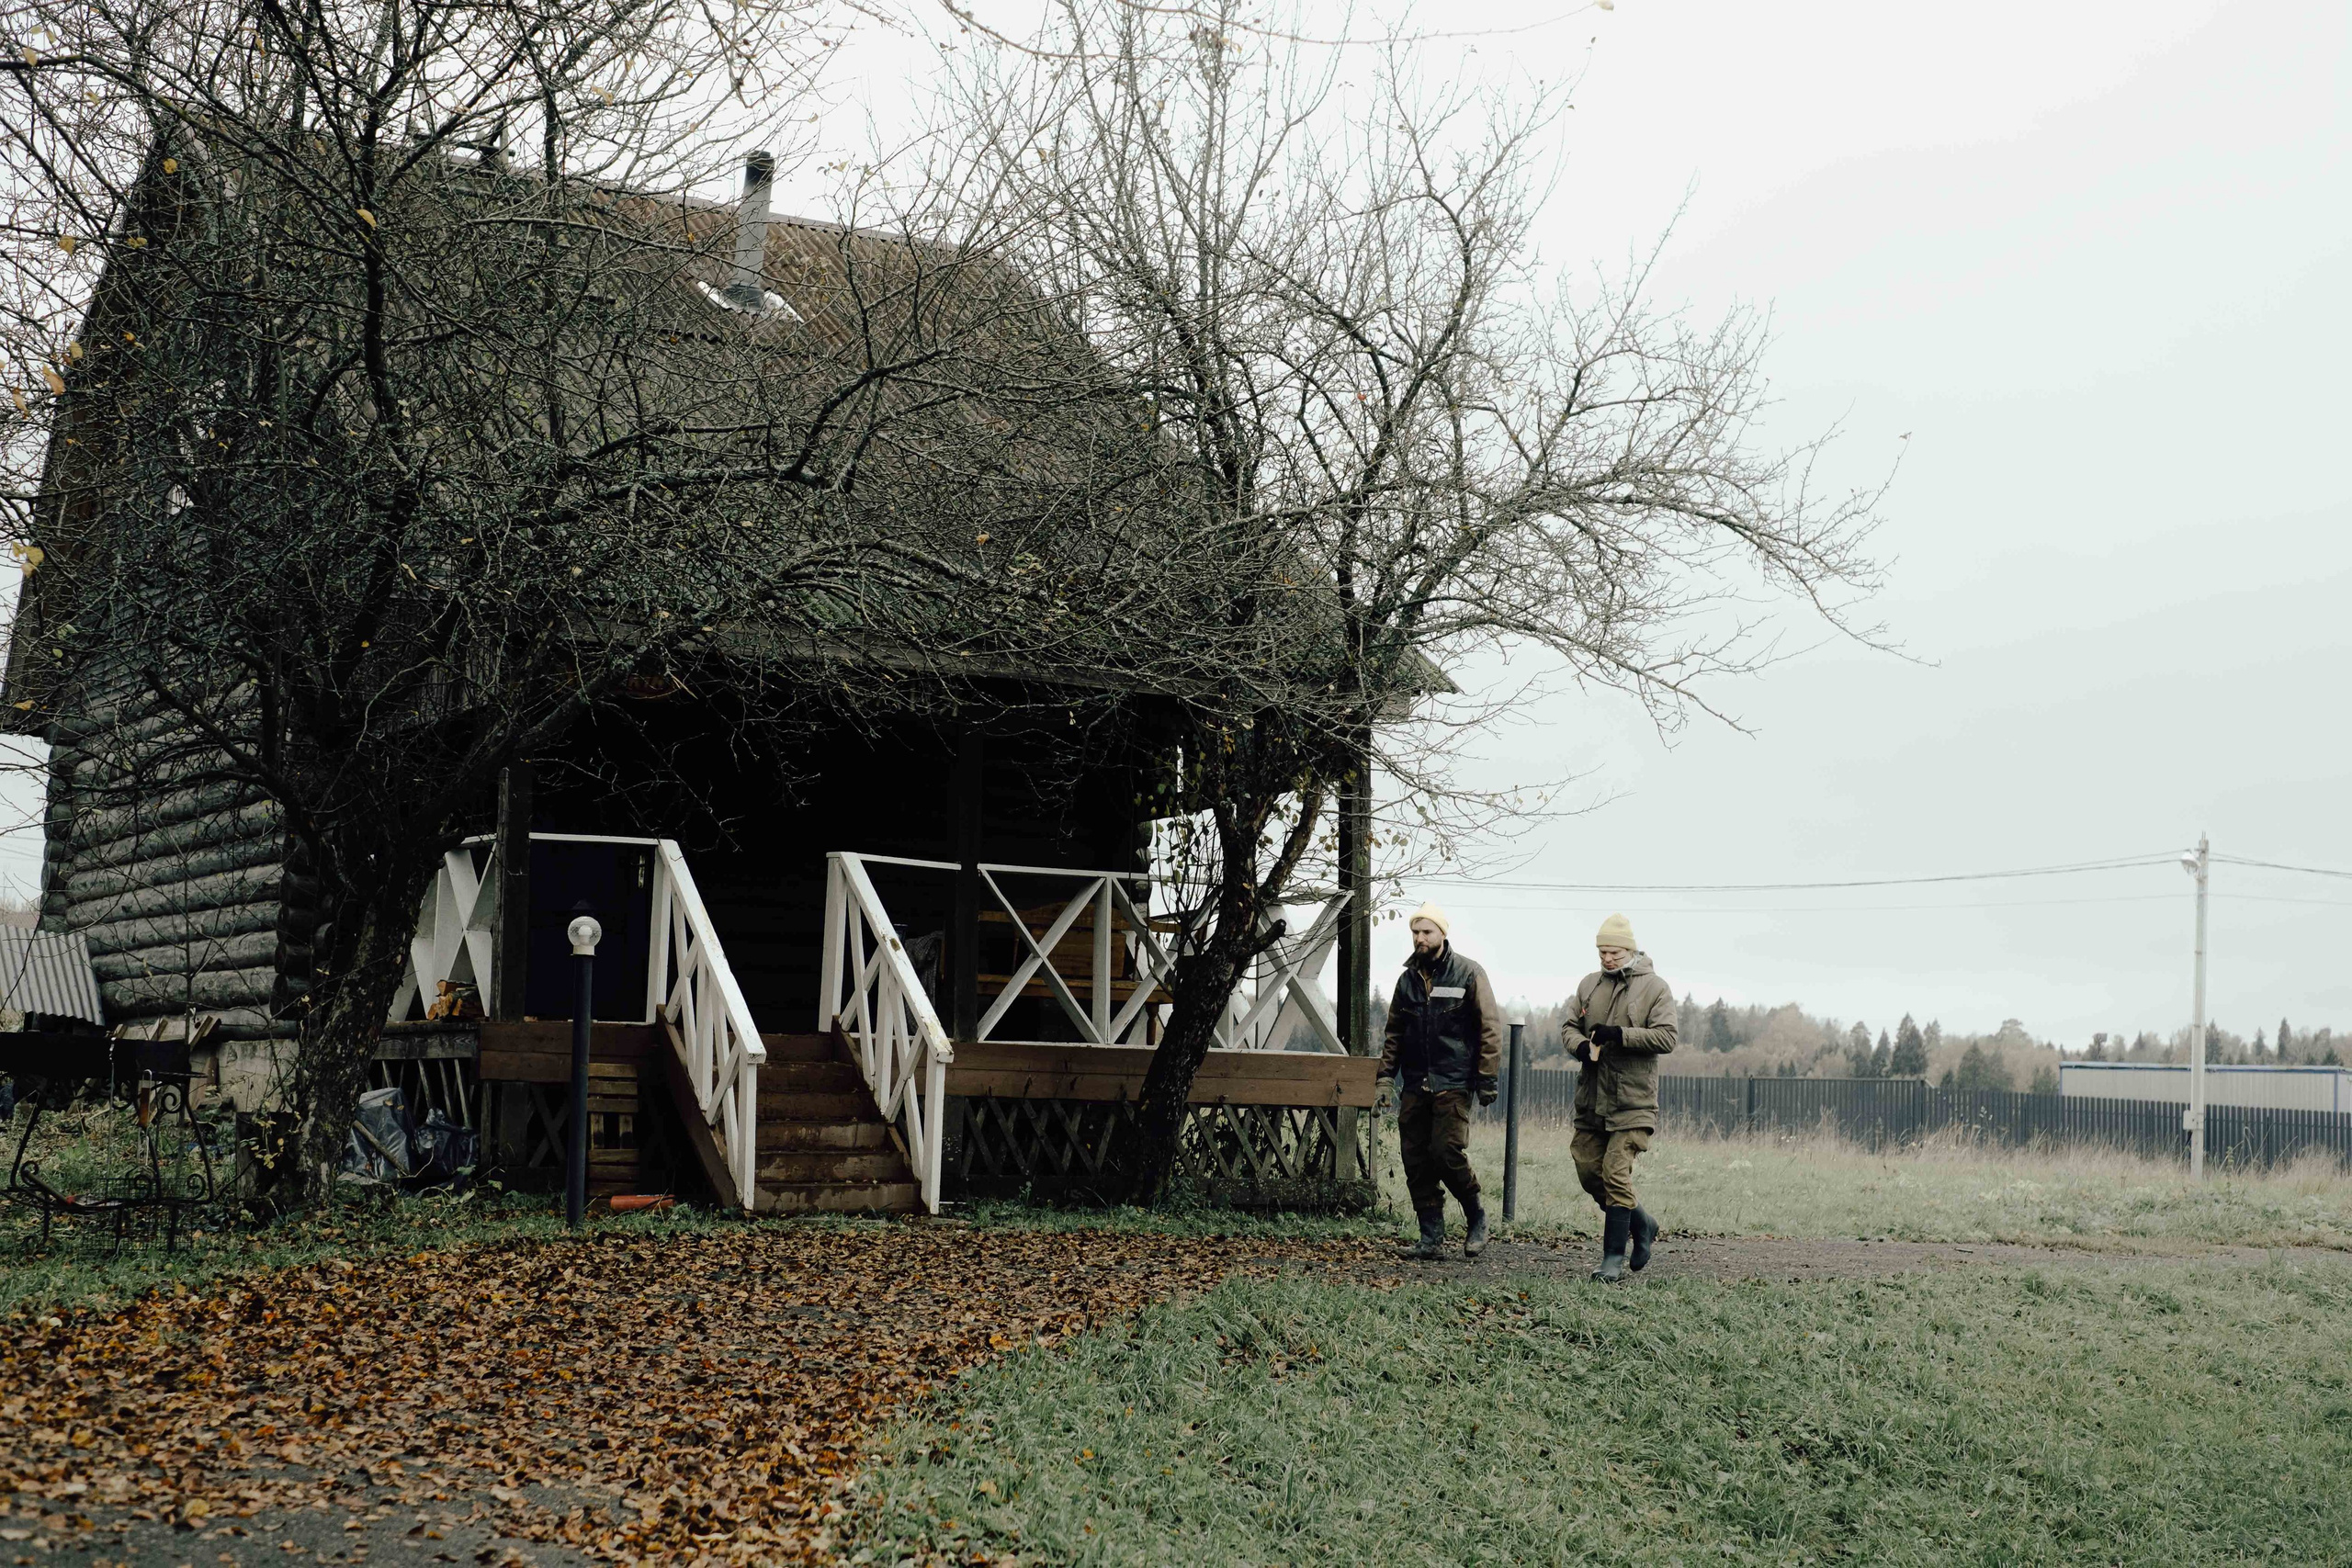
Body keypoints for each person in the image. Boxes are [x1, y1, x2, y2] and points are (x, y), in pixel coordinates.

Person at [1374, 902, 1503, 1260]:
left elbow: (1489, 1029)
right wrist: (1385, 1078)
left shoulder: (1468, 974)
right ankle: (1431, 1238)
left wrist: (1487, 1077)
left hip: (1454, 1080)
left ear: (1442, 934)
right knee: (1415, 1159)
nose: (1420, 938)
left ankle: (1476, 1213)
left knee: (1446, 1152)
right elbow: (1394, 1034)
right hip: (1416, 1083)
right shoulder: (1407, 981)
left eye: (1427, 932)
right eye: (1415, 932)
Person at [1561, 913, 1677, 1282]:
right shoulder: (1588, 985)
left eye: (1613, 951)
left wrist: (1620, 1035)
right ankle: (1642, 1223)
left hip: (1633, 1102)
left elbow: (1667, 1037)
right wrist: (1580, 1047)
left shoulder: (1655, 988)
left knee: (1615, 1173)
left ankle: (1612, 1260)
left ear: (1630, 949)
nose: (1607, 958)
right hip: (1591, 1099)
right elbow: (1567, 1026)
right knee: (1588, 1171)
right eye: (1602, 952)